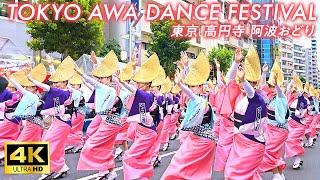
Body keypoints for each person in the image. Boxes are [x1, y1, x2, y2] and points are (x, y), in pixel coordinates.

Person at [161, 51, 216, 180]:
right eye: (189, 86)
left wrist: (180, 84)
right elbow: (189, 88)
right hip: (195, 137)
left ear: (201, 87)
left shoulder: (201, 100)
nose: (190, 88)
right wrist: (185, 67)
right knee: (192, 169)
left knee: (181, 165)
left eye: (194, 86)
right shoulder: (194, 100)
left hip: (203, 140)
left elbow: (190, 92)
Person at [76, 51, 123, 180]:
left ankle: (106, 167)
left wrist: (82, 73)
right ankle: (108, 171)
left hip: (110, 121)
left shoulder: (109, 89)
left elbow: (95, 82)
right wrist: (95, 64)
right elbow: (97, 81)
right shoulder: (105, 88)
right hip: (106, 120)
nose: (99, 80)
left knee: (92, 144)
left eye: (102, 78)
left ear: (108, 79)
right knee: (103, 146)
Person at [224, 45, 267, 180]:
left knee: (234, 174)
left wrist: (244, 80)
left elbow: (251, 93)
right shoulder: (238, 96)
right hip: (238, 141)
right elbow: (228, 81)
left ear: (255, 84)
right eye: (242, 81)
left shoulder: (258, 99)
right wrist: (236, 62)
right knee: (243, 175)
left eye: (249, 82)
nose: (243, 85)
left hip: (252, 143)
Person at [31, 57, 76, 180]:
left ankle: (51, 169)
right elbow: (55, 82)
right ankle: (61, 167)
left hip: (63, 123)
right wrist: (51, 65)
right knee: (57, 145)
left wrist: (32, 80)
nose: (55, 84)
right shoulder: (62, 90)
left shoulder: (66, 92)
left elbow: (50, 88)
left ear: (66, 82)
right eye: (55, 83)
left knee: (49, 143)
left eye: (58, 82)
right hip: (59, 121)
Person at [121, 53, 161, 180]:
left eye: (141, 83)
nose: (138, 85)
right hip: (143, 130)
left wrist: (121, 80)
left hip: (147, 132)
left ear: (148, 84)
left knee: (129, 157)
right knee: (143, 158)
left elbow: (132, 89)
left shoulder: (147, 95)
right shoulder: (145, 95)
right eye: (138, 83)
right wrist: (132, 67)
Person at [213, 49, 244, 172]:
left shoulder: (251, 92)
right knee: (224, 150)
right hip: (227, 123)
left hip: (243, 128)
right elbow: (226, 80)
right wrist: (235, 62)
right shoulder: (231, 86)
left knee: (241, 156)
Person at [258, 59, 288, 180]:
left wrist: (277, 84)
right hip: (270, 129)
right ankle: (279, 174)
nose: (272, 88)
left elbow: (280, 93)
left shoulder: (282, 97)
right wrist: (264, 73)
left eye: (274, 86)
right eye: (271, 86)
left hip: (279, 130)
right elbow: (260, 88)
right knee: (274, 153)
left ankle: (276, 174)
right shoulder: (270, 97)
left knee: (268, 150)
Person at [8, 64, 47, 142]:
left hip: (34, 123)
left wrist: (10, 79)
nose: (26, 88)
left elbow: (20, 89)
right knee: (34, 143)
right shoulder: (34, 95)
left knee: (21, 142)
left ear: (34, 87)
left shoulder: (34, 95)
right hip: (34, 123)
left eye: (27, 87)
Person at [284, 74, 309, 169]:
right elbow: (286, 92)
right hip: (290, 124)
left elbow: (299, 114)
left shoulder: (304, 100)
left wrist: (298, 89)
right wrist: (291, 82)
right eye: (293, 91)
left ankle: (297, 160)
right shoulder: (291, 99)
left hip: (299, 125)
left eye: (295, 91)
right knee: (293, 141)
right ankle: (297, 159)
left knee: (291, 140)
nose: (293, 93)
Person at [65, 72, 86, 153]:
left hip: (79, 113)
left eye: (75, 85)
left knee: (73, 128)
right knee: (75, 128)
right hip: (77, 113)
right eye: (72, 85)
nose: (73, 86)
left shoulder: (79, 93)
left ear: (79, 85)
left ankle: (76, 143)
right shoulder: (76, 92)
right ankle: (75, 143)